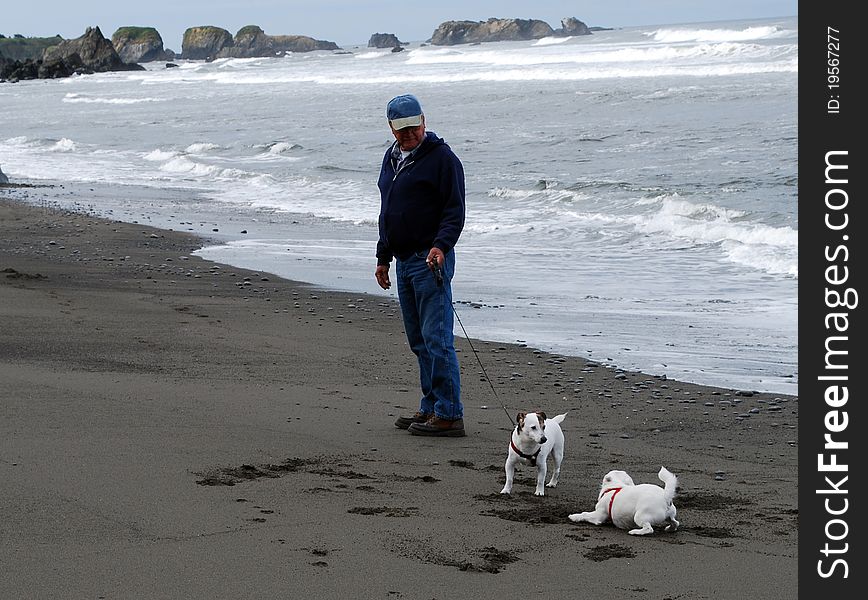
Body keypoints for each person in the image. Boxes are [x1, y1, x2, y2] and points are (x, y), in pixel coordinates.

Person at [375, 94, 466, 437]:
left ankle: (449, 413)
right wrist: (383, 257)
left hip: (431, 260)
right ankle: (429, 407)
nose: (409, 133)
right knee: (418, 339)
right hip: (402, 261)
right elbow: (388, 210)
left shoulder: (443, 159)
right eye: (402, 129)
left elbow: (454, 212)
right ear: (392, 128)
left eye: (414, 126)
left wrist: (441, 246)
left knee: (436, 337)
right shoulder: (392, 157)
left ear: (424, 121)